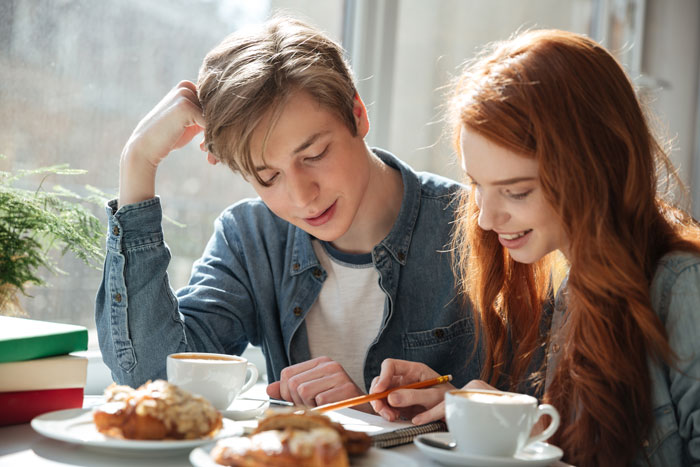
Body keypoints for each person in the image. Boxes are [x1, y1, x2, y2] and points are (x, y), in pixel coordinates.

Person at [95, 16, 479, 409]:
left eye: (314, 155)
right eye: (267, 177)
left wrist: (368, 411)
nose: (302, 196)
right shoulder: (251, 239)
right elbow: (154, 383)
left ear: (358, 114)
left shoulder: (477, 227)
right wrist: (138, 162)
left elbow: (532, 414)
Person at [369, 29, 700, 466]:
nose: (486, 220)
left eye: (518, 192)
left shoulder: (684, 288)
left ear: (594, 169)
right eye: (477, 186)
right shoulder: (578, 285)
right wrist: (482, 413)